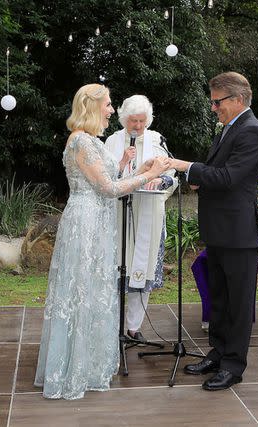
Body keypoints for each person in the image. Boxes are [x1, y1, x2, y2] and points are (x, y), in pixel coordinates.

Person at [34, 84, 170, 400]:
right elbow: (108, 189)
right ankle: (71, 368)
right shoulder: (80, 140)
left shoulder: (92, 141)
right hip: (85, 221)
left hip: (98, 220)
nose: (111, 110)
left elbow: (105, 178)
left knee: (92, 290)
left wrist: (137, 166)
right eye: (108, 105)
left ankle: (88, 363)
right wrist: (148, 177)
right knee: (81, 289)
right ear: (92, 107)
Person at [169, 71, 258, 390]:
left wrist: (186, 167)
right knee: (220, 298)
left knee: (239, 303)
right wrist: (199, 178)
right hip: (219, 231)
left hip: (239, 234)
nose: (213, 108)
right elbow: (220, 174)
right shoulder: (229, 128)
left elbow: (230, 178)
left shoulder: (252, 131)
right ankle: (218, 352)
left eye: (217, 102)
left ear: (237, 99)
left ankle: (233, 365)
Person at [105, 95, 177, 344]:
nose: (138, 126)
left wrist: (162, 179)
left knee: (141, 269)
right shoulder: (112, 141)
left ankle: (134, 327)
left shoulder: (158, 140)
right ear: (124, 119)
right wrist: (123, 162)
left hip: (149, 211)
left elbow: (171, 173)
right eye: (133, 121)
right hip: (119, 214)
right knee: (117, 269)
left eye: (142, 121)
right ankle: (112, 326)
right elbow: (105, 177)